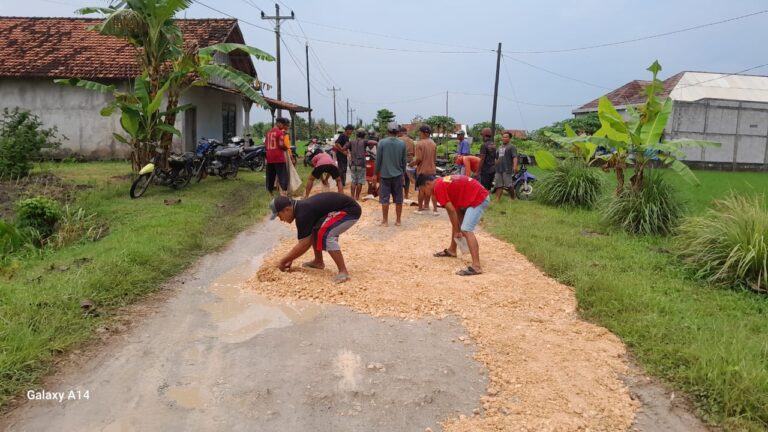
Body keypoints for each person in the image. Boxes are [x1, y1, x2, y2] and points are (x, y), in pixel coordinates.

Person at [271, 193, 361, 283]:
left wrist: (283, 261)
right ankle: (318, 262)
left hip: (350, 211)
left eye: (279, 216)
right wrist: (289, 258)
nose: (281, 219)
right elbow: (307, 240)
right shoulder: (300, 209)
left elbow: (304, 244)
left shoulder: (302, 213)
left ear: (287, 210)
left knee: (327, 234)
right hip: (343, 209)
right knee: (315, 229)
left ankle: (343, 272)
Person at [421, 175, 490, 276]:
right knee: (458, 225)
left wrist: (459, 230)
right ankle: (452, 250)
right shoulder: (440, 183)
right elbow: (455, 210)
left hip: (479, 198)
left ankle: (476, 266)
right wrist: (458, 227)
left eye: (423, 190)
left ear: (427, 184)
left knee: (466, 229)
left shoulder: (438, 187)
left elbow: (451, 210)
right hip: (477, 195)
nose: (425, 194)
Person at [375, 121, 407, 227]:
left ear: (387, 131)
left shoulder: (382, 143)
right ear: (397, 131)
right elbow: (404, 161)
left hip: (385, 176)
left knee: (385, 199)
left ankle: (385, 221)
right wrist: (403, 174)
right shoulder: (402, 144)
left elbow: (378, 160)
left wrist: (376, 174)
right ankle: (398, 221)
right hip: (398, 175)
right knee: (398, 199)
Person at [411, 125, 438, 215]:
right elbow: (434, 159)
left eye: (420, 132)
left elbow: (419, 159)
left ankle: (420, 209)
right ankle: (433, 209)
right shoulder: (434, 144)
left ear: (424, 133)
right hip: (432, 170)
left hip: (423, 170)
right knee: (432, 190)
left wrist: (411, 164)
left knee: (422, 190)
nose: (419, 134)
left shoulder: (419, 143)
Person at [347, 128, 376, 200]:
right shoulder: (365, 142)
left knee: (354, 181)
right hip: (361, 164)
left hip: (354, 164)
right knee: (359, 181)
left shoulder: (352, 142)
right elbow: (374, 143)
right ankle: (357, 197)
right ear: (364, 135)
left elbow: (345, 147)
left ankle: (352, 197)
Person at [265, 117, 291, 196]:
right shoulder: (280, 132)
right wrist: (285, 148)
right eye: (282, 125)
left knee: (271, 175)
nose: (283, 127)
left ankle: (270, 191)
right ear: (279, 123)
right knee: (282, 175)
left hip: (269, 157)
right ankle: (284, 192)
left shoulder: (268, 133)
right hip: (278, 157)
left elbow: (265, 145)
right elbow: (281, 144)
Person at [494, 131, 519, 202]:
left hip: (507, 169)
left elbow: (515, 157)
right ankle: (497, 199)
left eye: (506, 137)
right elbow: (497, 158)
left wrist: (515, 166)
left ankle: (513, 198)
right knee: (499, 185)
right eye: (503, 137)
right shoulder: (499, 147)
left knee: (509, 185)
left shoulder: (512, 147)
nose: (504, 138)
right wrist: (495, 164)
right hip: (498, 169)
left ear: (509, 138)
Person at [333, 125, 354, 191]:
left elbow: (347, 146)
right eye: (351, 130)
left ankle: (343, 183)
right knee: (341, 170)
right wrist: (342, 150)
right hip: (340, 155)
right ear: (347, 130)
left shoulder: (347, 137)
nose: (351, 132)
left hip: (344, 156)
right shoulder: (342, 135)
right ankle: (340, 183)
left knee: (344, 169)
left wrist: (348, 153)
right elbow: (336, 144)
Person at [398, 126, 416, 199]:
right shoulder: (412, 141)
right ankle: (406, 195)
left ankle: (400, 195)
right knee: (407, 179)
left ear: (400, 132)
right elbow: (414, 153)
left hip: (400, 161)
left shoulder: (398, 140)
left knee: (399, 178)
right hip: (410, 161)